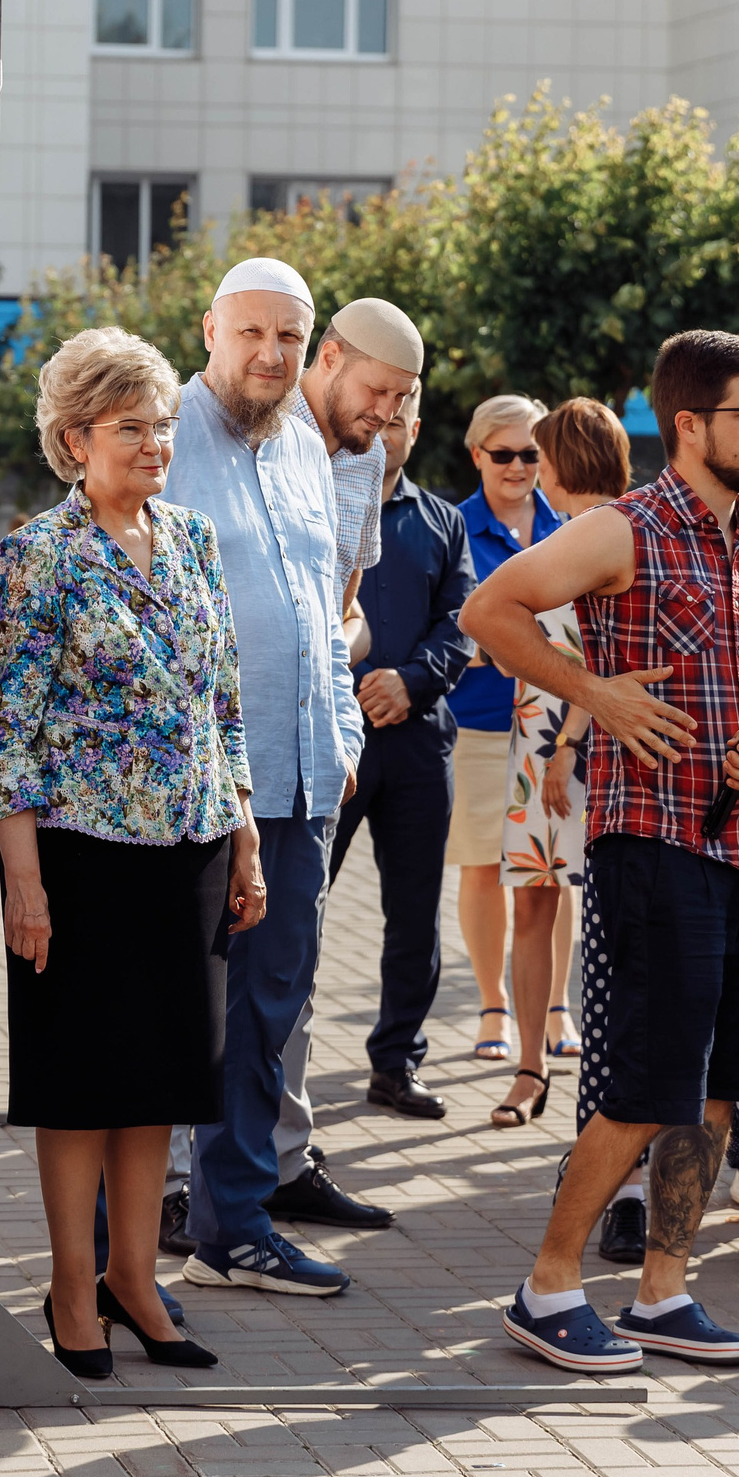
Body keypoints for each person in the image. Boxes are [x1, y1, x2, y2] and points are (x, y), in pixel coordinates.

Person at [468, 330, 739, 1373]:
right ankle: (546, 1287)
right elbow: (490, 608)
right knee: (647, 1085)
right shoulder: (625, 530)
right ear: (687, 425)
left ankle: (662, 1292)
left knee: (721, 1086)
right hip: (652, 845)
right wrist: (595, 695)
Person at [0, 326, 254, 1380]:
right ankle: (69, 1285)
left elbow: (222, 704)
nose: (154, 444)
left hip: (185, 846)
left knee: (157, 1081)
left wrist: (245, 845)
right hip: (79, 857)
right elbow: (9, 732)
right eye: (131, 427)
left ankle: (136, 1280)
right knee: (82, 1084)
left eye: (163, 425)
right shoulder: (39, 554)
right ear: (73, 438)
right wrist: (23, 881)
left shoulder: (190, 539)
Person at [160, 257, 367, 1298]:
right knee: (175, 1011)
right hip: (197, 784)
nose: (269, 355)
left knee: (268, 1006)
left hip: (300, 780)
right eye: (250, 333)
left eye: (288, 337)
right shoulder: (161, 435)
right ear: (210, 330)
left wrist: (341, 735)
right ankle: (129, 1220)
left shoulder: (302, 446)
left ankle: (232, 1221)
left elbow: (323, 605)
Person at [266, 297, 425, 1229]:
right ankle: (177, 1184)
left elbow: (347, 603)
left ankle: (287, 1160)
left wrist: (340, 712)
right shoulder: (261, 436)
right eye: (377, 392)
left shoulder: (365, 460)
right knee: (218, 977)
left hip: (317, 750)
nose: (388, 416)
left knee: (296, 967)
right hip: (234, 752)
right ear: (326, 358)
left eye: (403, 400)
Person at [326, 370, 474, 1127]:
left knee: (414, 912)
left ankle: (396, 1062)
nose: (385, 434)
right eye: (376, 421)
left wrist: (411, 681)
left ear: (413, 431)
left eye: (400, 423)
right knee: (299, 904)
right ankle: (276, 1059)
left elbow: (465, 618)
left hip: (416, 743)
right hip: (333, 741)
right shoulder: (316, 505)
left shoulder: (443, 521)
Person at [491, 398, 626, 1129]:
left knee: (545, 907)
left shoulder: (597, 535)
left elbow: (602, 656)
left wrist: (565, 743)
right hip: (540, 738)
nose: (532, 470)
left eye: (539, 455)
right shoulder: (581, 531)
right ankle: (539, 1062)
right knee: (545, 903)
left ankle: (538, 1070)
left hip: (566, 744)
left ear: (562, 459)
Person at [449, 393, 565, 1065]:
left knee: (553, 873)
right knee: (484, 869)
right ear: (477, 455)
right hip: (483, 722)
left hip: (558, 729)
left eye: (531, 453)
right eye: (504, 453)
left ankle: (554, 1006)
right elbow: (450, 627)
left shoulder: (570, 524)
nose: (518, 466)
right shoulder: (456, 527)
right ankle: (493, 1003)